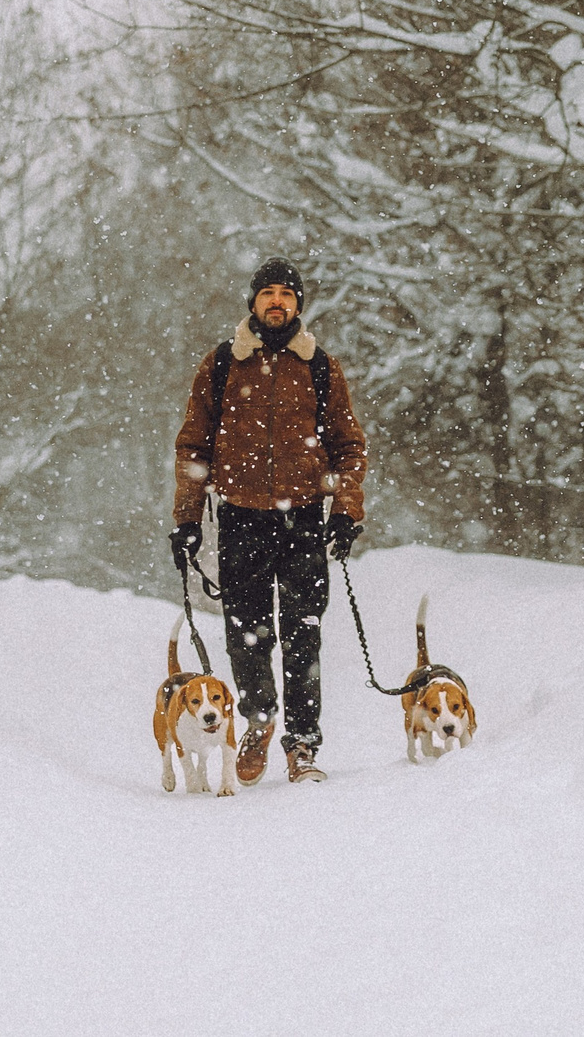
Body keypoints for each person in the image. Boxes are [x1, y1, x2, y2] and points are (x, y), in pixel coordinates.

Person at [171, 258, 368, 785]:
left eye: (286, 294)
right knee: (247, 637)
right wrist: (187, 519)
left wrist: (346, 511)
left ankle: (302, 745)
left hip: (303, 520)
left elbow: (348, 448)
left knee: (303, 633)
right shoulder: (220, 365)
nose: (277, 302)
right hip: (240, 520)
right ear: (253, 303)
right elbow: (193, 447)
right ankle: (258, 723)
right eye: (267, 293)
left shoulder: (320, 367)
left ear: (298, 305)